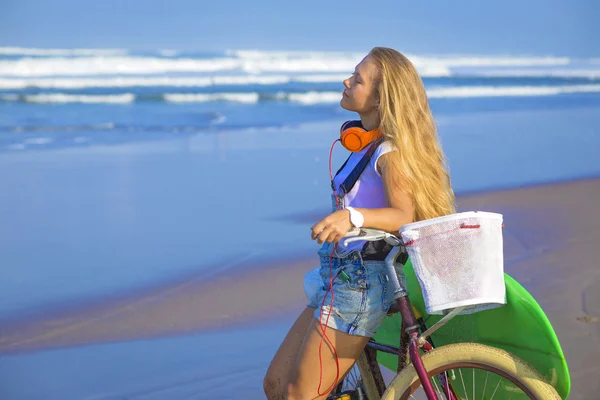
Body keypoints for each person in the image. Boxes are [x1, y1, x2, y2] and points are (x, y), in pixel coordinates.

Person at [263, 47, 455, 400]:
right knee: (275, 385)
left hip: (360, 285)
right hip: (337, 278)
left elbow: (404, 217)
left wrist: (352, 217)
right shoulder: (369, 146)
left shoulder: (390, 153)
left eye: (358, 79)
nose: (346, 81)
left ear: (381, 98)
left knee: (298, 395)